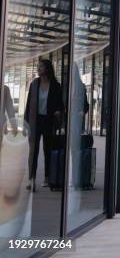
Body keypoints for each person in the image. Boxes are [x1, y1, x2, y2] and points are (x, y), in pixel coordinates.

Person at [24, 59, 64, 191]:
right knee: (33, 151)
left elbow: (60, 104)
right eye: (38, 66)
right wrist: (26, 122)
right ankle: (31, 179)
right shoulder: (34, 84)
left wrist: (58, 112)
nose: (38, 68)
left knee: (48, 150)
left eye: (41, 66)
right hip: (35, 121)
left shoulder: (56, 86)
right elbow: (29, 104)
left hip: (48, 121)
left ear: (47, 68)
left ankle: (47, 177)